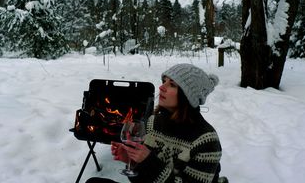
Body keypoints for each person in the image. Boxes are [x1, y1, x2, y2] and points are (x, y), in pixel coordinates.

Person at [86, 63, 223, 183]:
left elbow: (151, 166)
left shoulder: (206, 141)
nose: (162, 87)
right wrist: (133, 161)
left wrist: (148, 162)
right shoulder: (153, 123)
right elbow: (142, 179)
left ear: (188, 97)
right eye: (164, 81)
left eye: (172, 85)